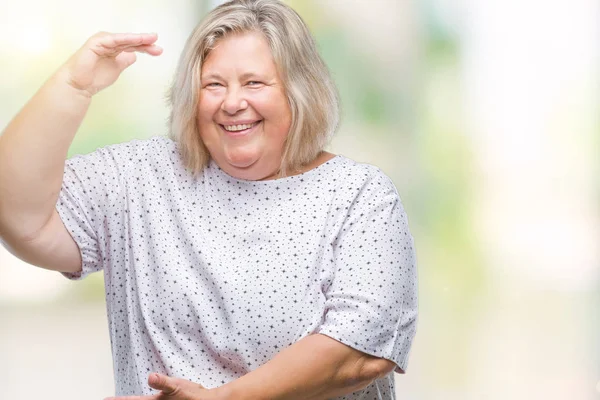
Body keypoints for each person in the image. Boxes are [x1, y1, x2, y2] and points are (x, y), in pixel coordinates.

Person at [0, 0, 418, 399]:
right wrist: (74, 86)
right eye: (213, 85)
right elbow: (19, 217)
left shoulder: (359, 195)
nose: (232, 103)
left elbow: (361, 351)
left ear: (299, 91)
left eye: (254, 83)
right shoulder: (139, 176)